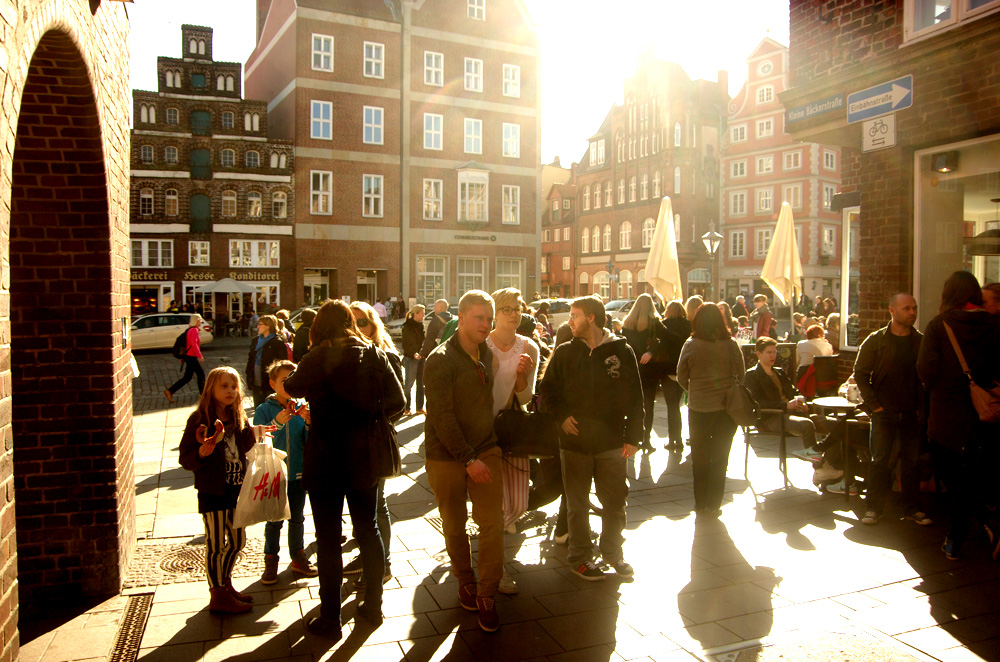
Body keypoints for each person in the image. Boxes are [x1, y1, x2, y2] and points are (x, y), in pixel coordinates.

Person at [284, 300, 404, 639]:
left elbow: (291, 387)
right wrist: (372, 420)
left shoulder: (317, 357)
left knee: (327, 539)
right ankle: (374, 607)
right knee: (368, 529)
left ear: (319, 327)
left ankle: (331, 617)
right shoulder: (372, 354)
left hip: (325, 456)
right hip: (364, 454)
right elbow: (399, 402)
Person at [540, 295, 642, 582]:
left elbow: (636, 397)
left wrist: (634, 436)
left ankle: (612, 553)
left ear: (592, 318)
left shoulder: (621, 351)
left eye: (574, 315)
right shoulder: (564, 352)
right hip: (574, 443)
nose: (569, 320)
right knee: (577, 505)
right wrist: (561, 417)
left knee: (614, 502)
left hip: (611, 441)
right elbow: (547, 391)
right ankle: (581, 557)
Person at [423, 290, 505, 632]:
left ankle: (487, 592)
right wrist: (467, 457)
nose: (487, 325)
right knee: (454, 523)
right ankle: (465, 580)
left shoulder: (486, 352)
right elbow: (442, 416)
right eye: (480, 318)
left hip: (485, 447)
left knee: (491, 523)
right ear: (462, 317)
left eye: (490, 319)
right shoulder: (440, 359)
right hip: (446, 454)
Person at [917, 272, 1000, 561]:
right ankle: (957, 536)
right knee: (974, 477)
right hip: (987, 413)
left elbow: (925, 370)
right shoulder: (993, 324)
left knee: (953, 477)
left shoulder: (939, 326)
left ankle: (978, 526)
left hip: (947, 416)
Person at [178, 367, 259, 614]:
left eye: (234, 387)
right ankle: (218, 594)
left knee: (237, 541)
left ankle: (225, 583)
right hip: (213, 491)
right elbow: (186, 458)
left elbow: (246, 448)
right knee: (215, 544)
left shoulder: (238, 417)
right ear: (211, 389)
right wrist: (202, 453)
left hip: (237, 490)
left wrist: (258, 432)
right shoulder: (199, 420)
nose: (230, 391)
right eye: (224, 386)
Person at [853, 293, 930, 526]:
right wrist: (874, 404)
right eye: (907, 308)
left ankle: (911, 508)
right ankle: (873, 508)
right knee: (879, 461)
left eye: (914, 308)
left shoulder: (920, 341)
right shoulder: (877, 340)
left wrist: (922, 407)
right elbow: (861, 373)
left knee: (912, 462)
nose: (912, 313)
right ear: (892, 310)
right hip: (884, 413)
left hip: (911, 412)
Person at [486, 288, 539, 594]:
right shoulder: (483, 345)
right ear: (496, 312)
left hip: (514, 430)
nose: (514, 314)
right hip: (484, 431)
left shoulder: (529, 345)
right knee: (492, 504)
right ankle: (497, 568)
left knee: (519, 504)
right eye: (507, 309)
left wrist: (521, 378)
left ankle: (494, 529)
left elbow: (527, 398)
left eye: (518, 309)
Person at [348, 301, 402, 585]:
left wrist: (374, 420)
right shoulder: (349, 355)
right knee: (364, 503)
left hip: (376, 439)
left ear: (374, 324)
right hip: (354, 441)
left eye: (363, 322)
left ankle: (383, 563)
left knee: (376, 503)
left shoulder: (386, 355)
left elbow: (398, 403)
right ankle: (370, 555)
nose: (358, 329)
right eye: (352, 323)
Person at [677, 303, 745, 517]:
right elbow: (741, 374)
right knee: (720, 456)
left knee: (700, 456)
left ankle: (700, 503)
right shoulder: (731, 344)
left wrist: (694, 388)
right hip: (726, 408)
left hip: (699, 408)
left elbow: (680, 375)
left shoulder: (691, 344)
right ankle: (714, 504)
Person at [254, 360, 317, 584]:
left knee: (297, 518)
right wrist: (276, 423)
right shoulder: (264, 409)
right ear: (272, 384)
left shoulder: (302, 406)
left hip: (298, 471)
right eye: (284, 381)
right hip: (275, 473)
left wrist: (309, 423)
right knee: (274, 520)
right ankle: (270, 559)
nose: (290, 384)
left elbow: (308, 442)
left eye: (293, 379)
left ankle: (298, 556)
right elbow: (259, 441)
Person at [621, 293, 681, 454]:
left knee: (633, 404)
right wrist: (652, 352)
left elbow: (623, 344)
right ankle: (646, 439)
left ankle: (632, 437)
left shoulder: (627, 323)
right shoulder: (654, 322)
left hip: (632, 367)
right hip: (650, 368)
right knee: (649, 403)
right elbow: (671, 339)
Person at [662, 300, 692, 449]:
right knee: (681, 403)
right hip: (684, 368)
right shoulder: (688, 325)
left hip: (667, 369)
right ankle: (681, 438)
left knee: (671, 405)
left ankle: (674, 438)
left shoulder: (664, 324)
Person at [246, 315, 287, 407]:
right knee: (258, 407)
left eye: (260, 324)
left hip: (269, 382)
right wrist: (248, 375)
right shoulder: (255, 340)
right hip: (256, 381)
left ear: (268, 326)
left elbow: (282, 363)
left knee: (271, 408)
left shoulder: (277, 342)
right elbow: (250, 359)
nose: (258, 326)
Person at [164, 314, 207, 402]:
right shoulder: (194, 330)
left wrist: (183, 357)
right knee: (200, 374)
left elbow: (186, 344)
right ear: (196, 321)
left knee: (187, 377)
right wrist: (200, 356)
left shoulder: (189, 330)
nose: (201, 322)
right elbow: (193, 344)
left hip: (188, 356)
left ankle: (170, 391)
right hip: (191, 356)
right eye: (200, 320)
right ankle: (203, 395)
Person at [401, 304, 427, 415]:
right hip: (411, 358)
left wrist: (423, 352)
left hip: (421, 357)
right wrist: (414, 353)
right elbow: (406, 344)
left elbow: (423, 341)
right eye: (422, 313)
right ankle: (406, 408)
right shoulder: (407, 326)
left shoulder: (420, 325)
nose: (424, 315)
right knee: (409, 384)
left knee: (421, 383)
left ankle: (419, 407)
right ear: (416, 313)